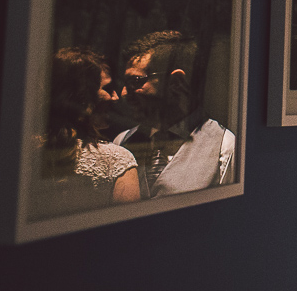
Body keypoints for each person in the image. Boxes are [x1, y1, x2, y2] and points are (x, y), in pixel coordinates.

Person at [114, 31, 235, 198]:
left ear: (176, 83)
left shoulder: (225, 147)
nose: (124, 94)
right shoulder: (122, 142)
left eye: (135, 82)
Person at [31, 47, 140, 219]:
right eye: (107, 88)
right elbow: (128, 232)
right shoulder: (116, 160)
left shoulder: (21, 153)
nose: (116, 97)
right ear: (81, 97)